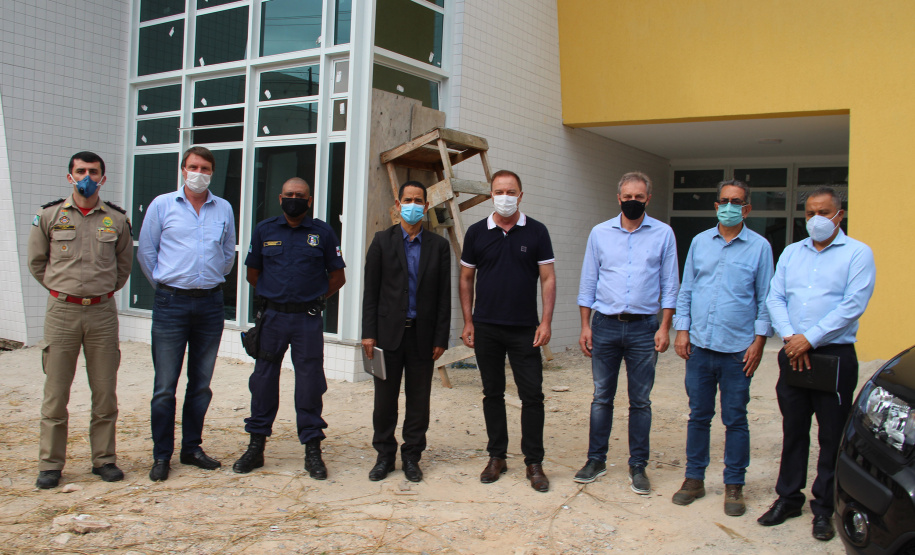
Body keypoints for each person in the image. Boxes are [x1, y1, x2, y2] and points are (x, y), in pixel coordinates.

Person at [757, 187, 876, 541]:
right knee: (794, 430)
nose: (816, 219)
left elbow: (853, 304)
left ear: (840, 214)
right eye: (810, 213)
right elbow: (775, 297)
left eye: (824, 212)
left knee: (831, 435)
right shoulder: (792, 252)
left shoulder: (858, 253)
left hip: (833, 355)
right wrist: (791, 336)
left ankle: (824, 508)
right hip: (793, 351)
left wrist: (810, 339)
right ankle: (788, 497)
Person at [27, 151, 133, 489]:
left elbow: (123, 266)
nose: (87, 177)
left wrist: (100, 291)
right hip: (62, 312)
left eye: (94, 171)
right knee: (56, 393)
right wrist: (63, 289)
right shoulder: (49, 215)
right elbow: (37, 262)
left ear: (103, 178)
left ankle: (104, 459)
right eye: (81, 170)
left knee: (104, 392)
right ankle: (50, 464)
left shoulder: (117, 219)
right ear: (69, 176)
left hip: (102, 313)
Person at [671, 179, 774, 516]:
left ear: (747, 208)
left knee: (736, 419)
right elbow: (687, 289)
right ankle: (694, 479)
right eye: (725, 201)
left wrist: (759, 342)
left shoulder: (759, 247)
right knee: (698, 416)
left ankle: (734, 485)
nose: (730, 206)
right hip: (700, 346)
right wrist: (682, 331)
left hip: (737, 350)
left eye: (737, 201)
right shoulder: (700, 242)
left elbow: (765, 298)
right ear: (716, 206)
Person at [231, 177, 346, 480]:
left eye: (300, 195)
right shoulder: (264, 230)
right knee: (263, 381)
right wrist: (276, 295)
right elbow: (253, 273)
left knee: (310, 383)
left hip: (307, 320)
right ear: (281, 199)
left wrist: (315, 299)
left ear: (309, 201)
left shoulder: (322, 233)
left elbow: (338, 277)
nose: (295, 199)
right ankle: (256, 446)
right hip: (273, 319)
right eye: (290, 194)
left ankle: (312, 449)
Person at [575, 171, 678, 495]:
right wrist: (585, 326)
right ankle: (596, 460)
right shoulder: (599, 233)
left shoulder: (663, 234)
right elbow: (588, 282)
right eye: (628, 197)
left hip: (644, 328)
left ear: (648, 199)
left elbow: (670, 285)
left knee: (640, 401)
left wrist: (665, 327)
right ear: (618, 198)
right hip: (605, 325)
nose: (633, 201)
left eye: (639, 197)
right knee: (601, 397)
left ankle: (638, 466)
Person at [138, 146, 237, 482]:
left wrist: (206, 280)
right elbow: (147, 252)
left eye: (205, 168)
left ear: (212, 172)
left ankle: (192, 448)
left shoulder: (223, 208)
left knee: (201, 384)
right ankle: (161, 455)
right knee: (165, 386)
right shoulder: (162, 205)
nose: (199, 173)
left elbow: (227, 254)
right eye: (193, 166)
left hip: (210, 304)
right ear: (183, 170)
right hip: (171, 303)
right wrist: (167, 284)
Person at [459, 170, 556, 492]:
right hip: (486, 326)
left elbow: (548, 278)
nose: (505, 197)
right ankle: (496, 457)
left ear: (521, 195)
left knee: (532, 396)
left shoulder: (537, 231)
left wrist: (546, 322)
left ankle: (534, 462)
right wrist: (468, 321)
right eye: (499, 191)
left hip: (525, 328)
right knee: (492, 393)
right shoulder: (476, 233)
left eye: (511, 192)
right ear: (491, 195)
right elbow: (466, 279)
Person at [361, 181, 451, 482]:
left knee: (418, 401)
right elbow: (371, 291)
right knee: (384, 402)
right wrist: (368, 333)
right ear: (398, 205)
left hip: (422, 337)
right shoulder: (381, 241)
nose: (413, 205)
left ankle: (412, 456)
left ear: (426, 206)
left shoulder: (439, 246)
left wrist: (440, 338)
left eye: (419, 200)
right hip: (387, 336)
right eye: (408, 200)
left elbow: (443, 296)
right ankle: (384, 456)